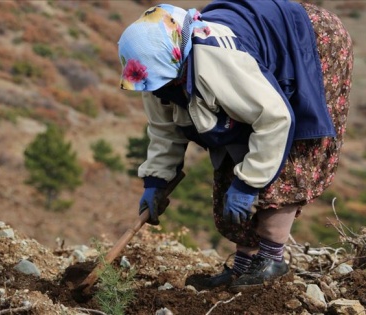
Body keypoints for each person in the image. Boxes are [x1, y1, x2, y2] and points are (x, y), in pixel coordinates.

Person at [117, 0, 353, 291]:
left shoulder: (215, 60)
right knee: (232, 163)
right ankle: (244, 266)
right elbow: (164, 130)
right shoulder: (156, 73)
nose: (156, 90)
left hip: (309, 41)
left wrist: (248, 184)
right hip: (253, 60)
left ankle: (272, 260)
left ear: (179, 57)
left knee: (288, 157)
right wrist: (156, 180)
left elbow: (275, 119)